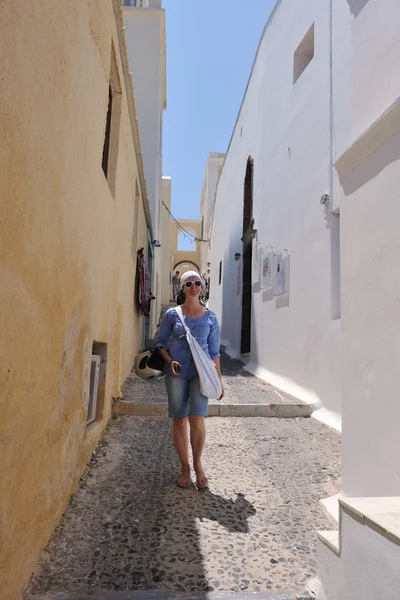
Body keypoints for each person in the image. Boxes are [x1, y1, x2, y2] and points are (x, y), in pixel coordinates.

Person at [155, 270, 224, 489]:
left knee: (197, 420)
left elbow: (214, 352)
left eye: (197, 283)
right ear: (182, 289)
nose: (193, 286)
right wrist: (169, 361)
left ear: (202, 287)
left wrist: (218, 380)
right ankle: (185, 467)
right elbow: (160, 343)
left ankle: (198, 465)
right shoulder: (172, 315)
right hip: (177, 373)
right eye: (188, 284)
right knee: (179, 419)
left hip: (201, 374)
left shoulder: (211, 317)